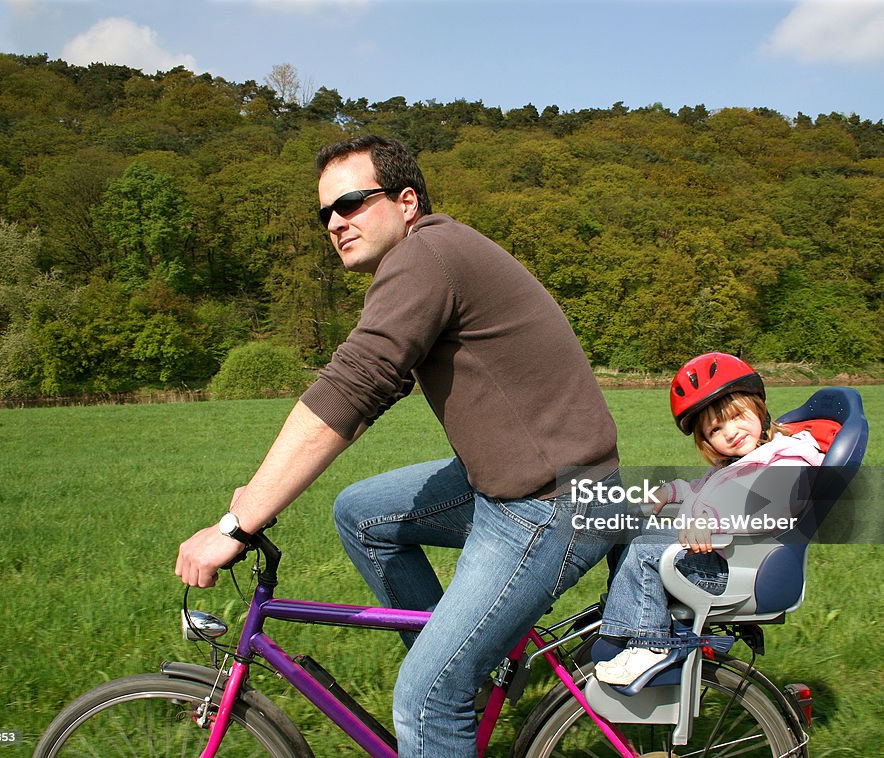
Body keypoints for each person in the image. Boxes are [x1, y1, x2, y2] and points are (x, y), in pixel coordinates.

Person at [175, 135, 621, 757]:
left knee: (425, 699)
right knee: (361, 513)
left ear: (407, 201)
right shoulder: (436, 253)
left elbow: (354, 385)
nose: (336, 222)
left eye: (352, 202)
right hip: (524, 480)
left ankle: (450, 687)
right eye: (325, 212)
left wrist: (237, 523)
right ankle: (467, 664)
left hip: (549, 502)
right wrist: (259, 494)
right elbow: (368, 386)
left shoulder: (427, 256)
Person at [594, 352, 825, 687]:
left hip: (736, 568)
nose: (731, 433)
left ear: (758, 408)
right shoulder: (739, 462)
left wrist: (711, 522)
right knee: (629, 531)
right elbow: (701, 491)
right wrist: (670, 492)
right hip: (716, 558)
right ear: (706, 439)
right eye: (717, 428)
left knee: (645, 552)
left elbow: (768, 509)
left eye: (738, 416)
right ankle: (625, 618)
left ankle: (650, 644)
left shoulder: (785, 461)